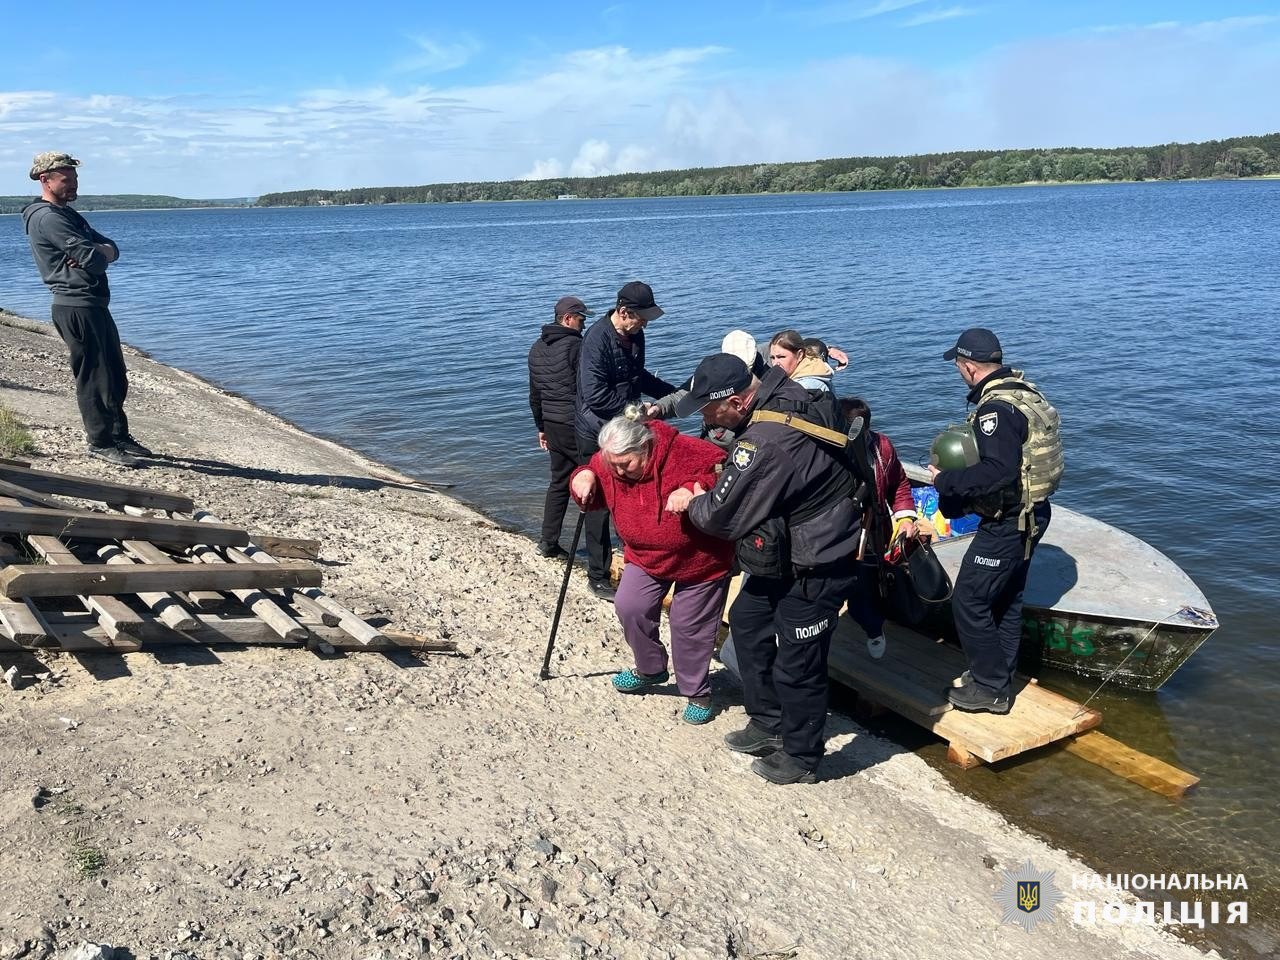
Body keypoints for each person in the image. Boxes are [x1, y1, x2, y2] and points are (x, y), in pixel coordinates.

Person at [669, 353, 861, 785]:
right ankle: (768, 720)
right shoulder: (790, 391)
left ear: (737, 402)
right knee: (747, 619)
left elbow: (720, 516)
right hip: (787, 546)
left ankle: (802, 756)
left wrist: (692, 501)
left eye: (709, 409)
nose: (706, 419)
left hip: (819, 558)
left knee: (800, 660)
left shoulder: (763, 440)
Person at [928, 328, 1063, 714]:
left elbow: (998, 471)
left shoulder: (995, 411)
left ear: (969, 367)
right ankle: (998, 676)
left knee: (969, 599)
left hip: (1008, 521)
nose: (958, 371)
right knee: (1005, 599)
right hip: (1033, 514)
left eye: (958, 365)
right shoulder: (1024, 393)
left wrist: (945, 480)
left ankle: (990, 688)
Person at [569, 415, 733, 724]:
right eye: (611, 464)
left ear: (645, 447)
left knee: (688, 627)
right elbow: (592, 487)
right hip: (645, 556)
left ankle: (697, 692)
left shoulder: (686, 450)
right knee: (630, 606)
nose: (617, 471)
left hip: (701, 558)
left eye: (626, 464)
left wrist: (692, 488)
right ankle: (650, 668)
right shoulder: (608, 460)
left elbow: (726, 470)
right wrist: (584, 475)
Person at [21, 151, 151, 468]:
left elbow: (110, 249)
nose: (73, 184)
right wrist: (95, 253)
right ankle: (100, 442)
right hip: (75, 305)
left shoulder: (69, 215)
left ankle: (119, 435)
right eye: (66, 179)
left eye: (75, 178)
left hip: (93, 304)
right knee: (93, 377)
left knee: (115, 376)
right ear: (45, 180)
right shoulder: (47, 217)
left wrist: (97, 251)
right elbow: (94, 261)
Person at [573, 281, 678, 600]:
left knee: (634, 493)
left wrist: (672, 392)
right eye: (641, 318)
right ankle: (597, 574)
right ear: (623, 312)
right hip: (596, 429)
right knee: (598, 503)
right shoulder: (596, 339)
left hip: (625, 426)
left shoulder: (635, 334)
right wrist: (636, 411)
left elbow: (638, 376)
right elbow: (595, 395)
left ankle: (635, 560)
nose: (645, 324)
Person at [838, 397, 919, 659]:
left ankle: (873, 628)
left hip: (873, 531)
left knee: (867, 586)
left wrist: (906, 517)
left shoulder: (882, 446)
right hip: (835, 532)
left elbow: (899, 483)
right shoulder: (826, 450)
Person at [528, 295, 592, 558]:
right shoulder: (576, 346)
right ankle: (601, 555)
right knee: (594, 480)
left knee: (558, 482)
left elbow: (534, 394)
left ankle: (548, 541)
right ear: (567, 319)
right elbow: (586, 389)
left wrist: (541, 426)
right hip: (574, 425)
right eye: (581, 319)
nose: (584, 325)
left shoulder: (536, 347)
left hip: (552, 425)